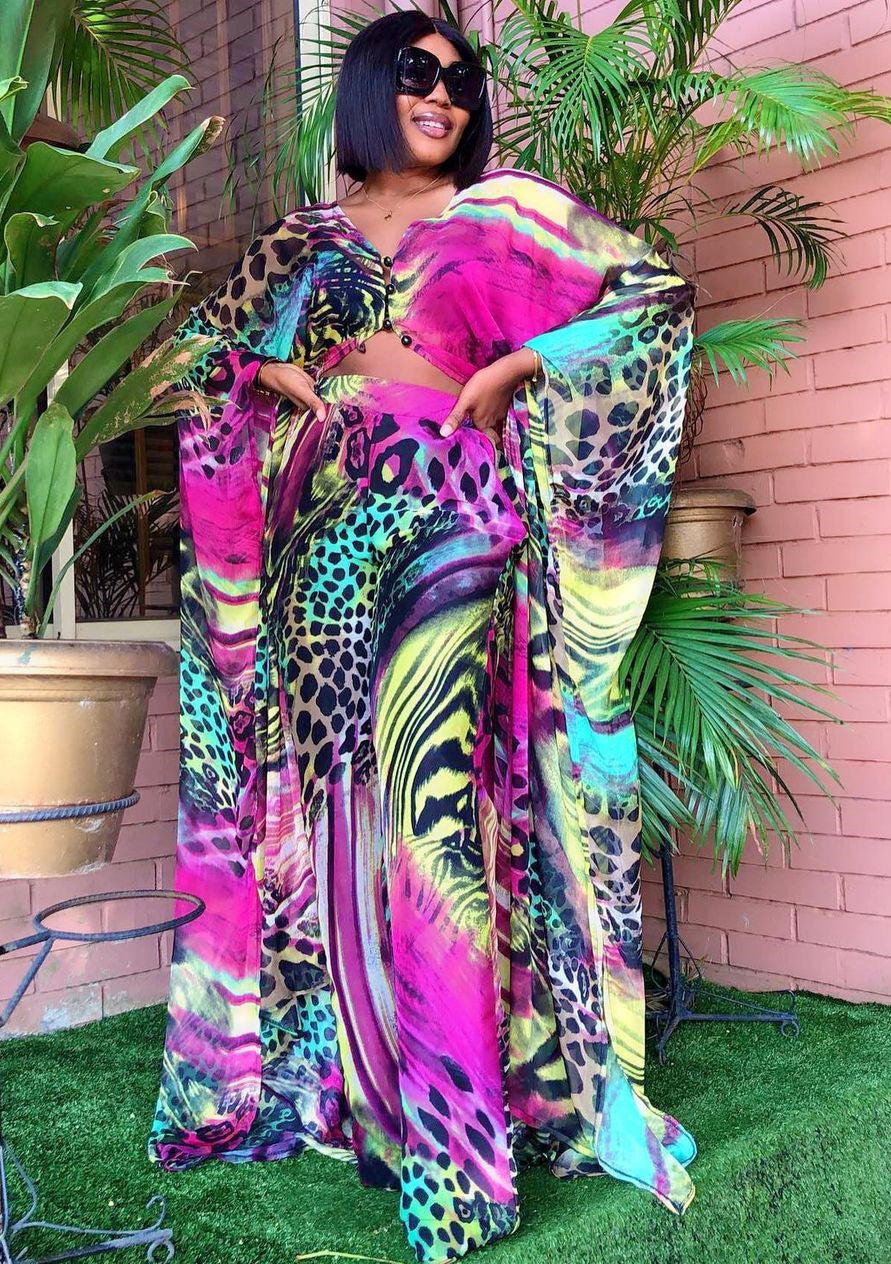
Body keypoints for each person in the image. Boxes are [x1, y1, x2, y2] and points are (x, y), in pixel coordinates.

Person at [150, 10, 699, 1261]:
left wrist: (524, 366)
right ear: (367, 88)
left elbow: (651, 301)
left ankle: (457, 1162)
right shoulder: (301, 239)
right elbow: (195, 360)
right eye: (417, 73)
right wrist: (261, 377)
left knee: (438, 829)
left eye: (461, 79)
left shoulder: (509, 211)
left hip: (456, 536)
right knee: (346, 830)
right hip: (319, 557)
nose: (444, 94)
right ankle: (369, 1114)